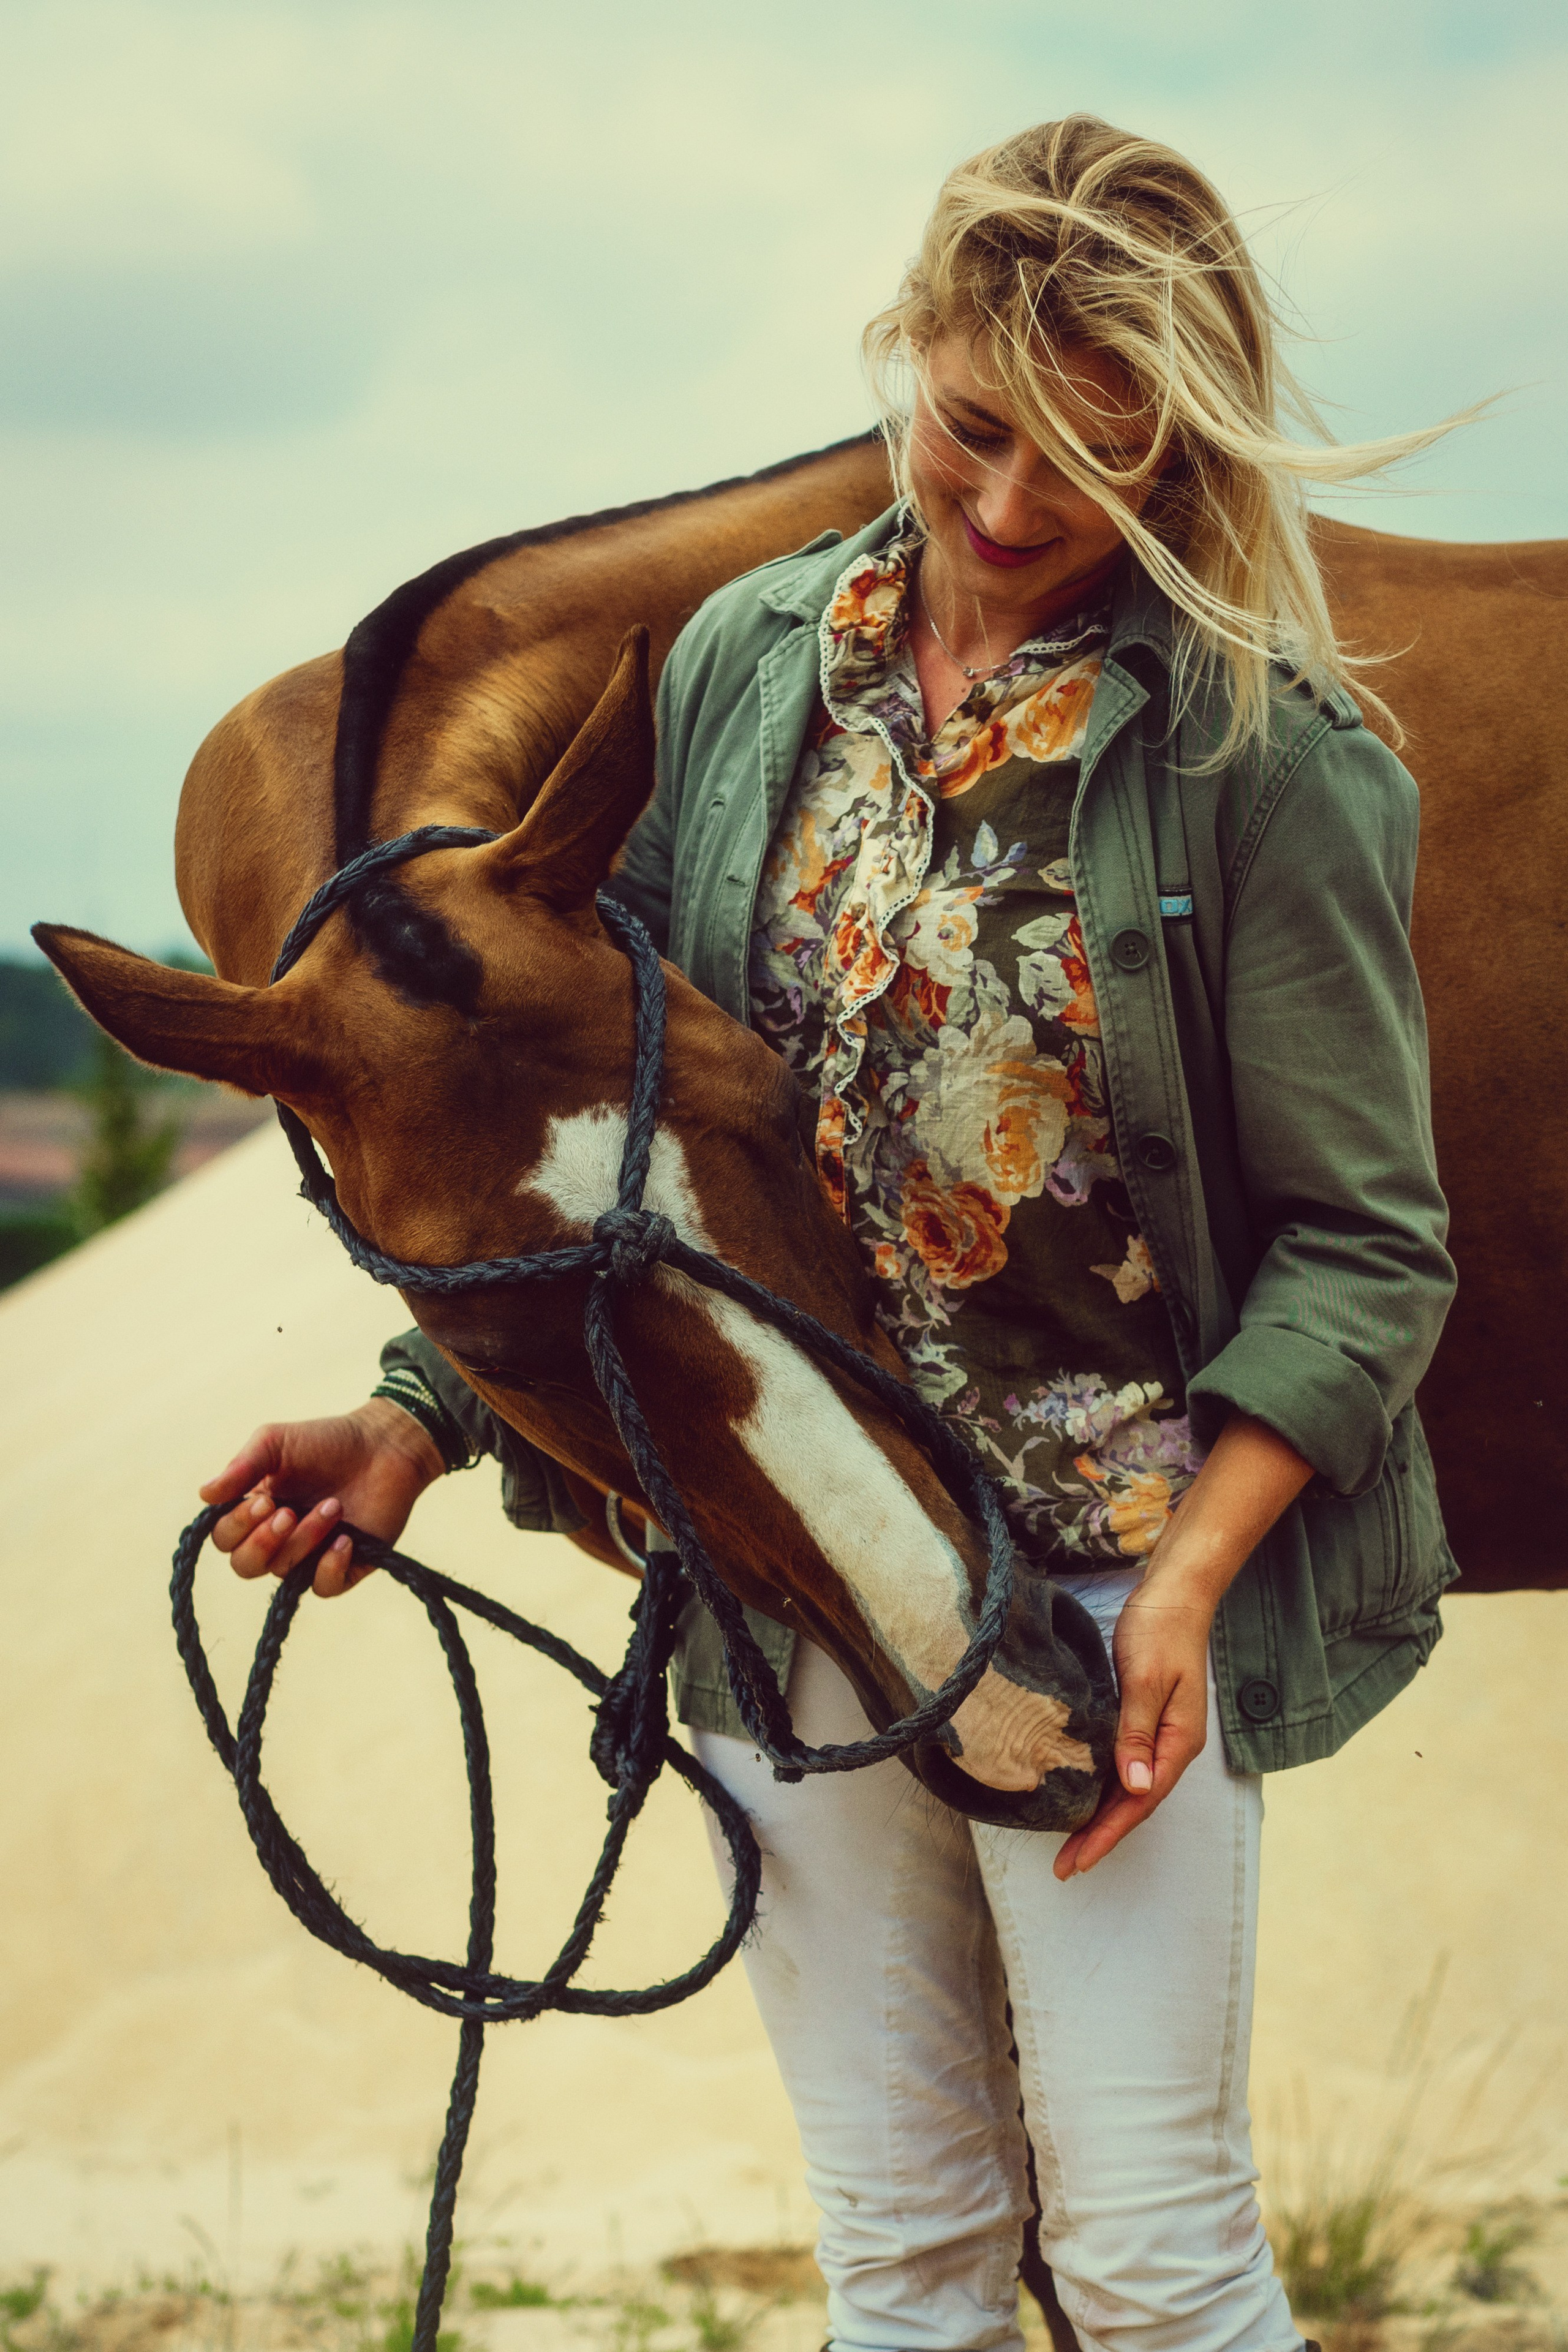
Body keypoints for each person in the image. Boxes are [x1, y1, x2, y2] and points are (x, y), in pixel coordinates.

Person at [199, 118, 1460, 2352]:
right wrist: (410, 1413)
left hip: (1101, 1585)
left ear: (1182, 456)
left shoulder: (1269, 761)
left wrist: (1181, 1587)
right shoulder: (743, 666)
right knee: (900, 2247)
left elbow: (1372, 1256)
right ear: (908, 352)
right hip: (788, 1553)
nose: (1005, 509)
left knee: (1158, 2260)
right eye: (975, 425)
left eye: (1094, 458)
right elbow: (625, 1141)